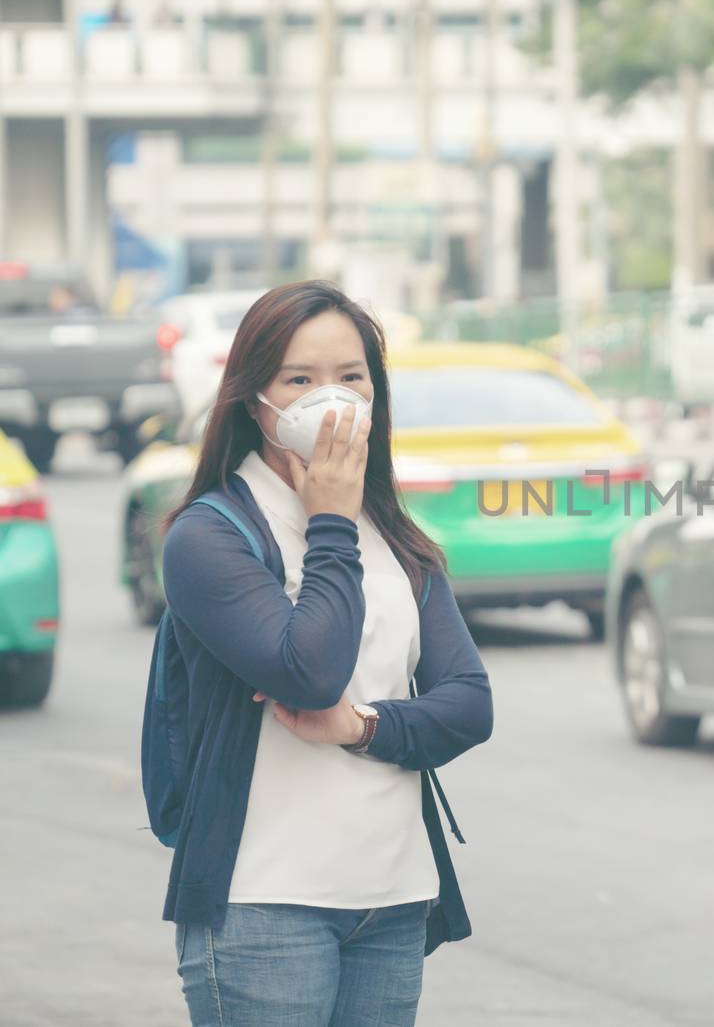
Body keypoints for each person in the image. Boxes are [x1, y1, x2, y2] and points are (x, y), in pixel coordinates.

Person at [155, 280, 493, 1027]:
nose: (331, 399)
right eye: (299, 380)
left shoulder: (397, 537)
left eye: (351, 377)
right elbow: (309, 670)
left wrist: (363, 727)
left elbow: (469, 702)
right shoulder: (209, 538)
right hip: (263, 908)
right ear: (254, 400)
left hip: (393, 899)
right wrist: (330, 521)